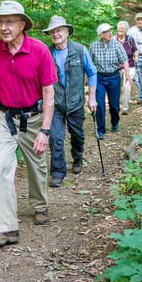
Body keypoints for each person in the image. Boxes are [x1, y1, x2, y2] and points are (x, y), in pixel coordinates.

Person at [0, 0, 57, 247]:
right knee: (1, 164)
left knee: (37, 166)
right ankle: (7, 229)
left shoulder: (39, 50)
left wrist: (45, 131)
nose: (3, 27)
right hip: (4, 116)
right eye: (0, 22)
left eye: (9, 22)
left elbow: (49, 93)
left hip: (33, 118)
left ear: (22, 25)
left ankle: (39, 205)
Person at [42, 15, 97, 187]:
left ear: (67, 31)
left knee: (78, 135)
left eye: (58, 30)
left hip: (75, 102)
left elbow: (92, 72)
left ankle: (78, 156)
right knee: (56, 138)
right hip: (55, 103)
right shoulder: (47, 53)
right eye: (52, 31)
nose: (55, 34)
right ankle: (57, 173)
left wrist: (92, 97)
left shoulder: (80, 50)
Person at [89, 23, 131, 138]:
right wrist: (86, 79)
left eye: (111, 31)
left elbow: (125, 61)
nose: (110, 33)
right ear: (101, 35)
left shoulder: (117, 45)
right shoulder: (94, 46)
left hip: (114, 77)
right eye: (107, 31)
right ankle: (100, 130)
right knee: (100, 104)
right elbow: (90, 65)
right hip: (99, 78)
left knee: (114, 105)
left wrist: (127, 75)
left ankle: (115, 122)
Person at [114, 20, 138, 115]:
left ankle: (125, 107)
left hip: (130, 65)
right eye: (119, 28)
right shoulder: (113, 40)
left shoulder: (130, 39)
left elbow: (135, 50)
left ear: (126, 30)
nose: (121, 30)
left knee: (127, 86)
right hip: (117, 67)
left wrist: (136, 56)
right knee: (118, 87)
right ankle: (118, 104)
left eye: (123, 28)